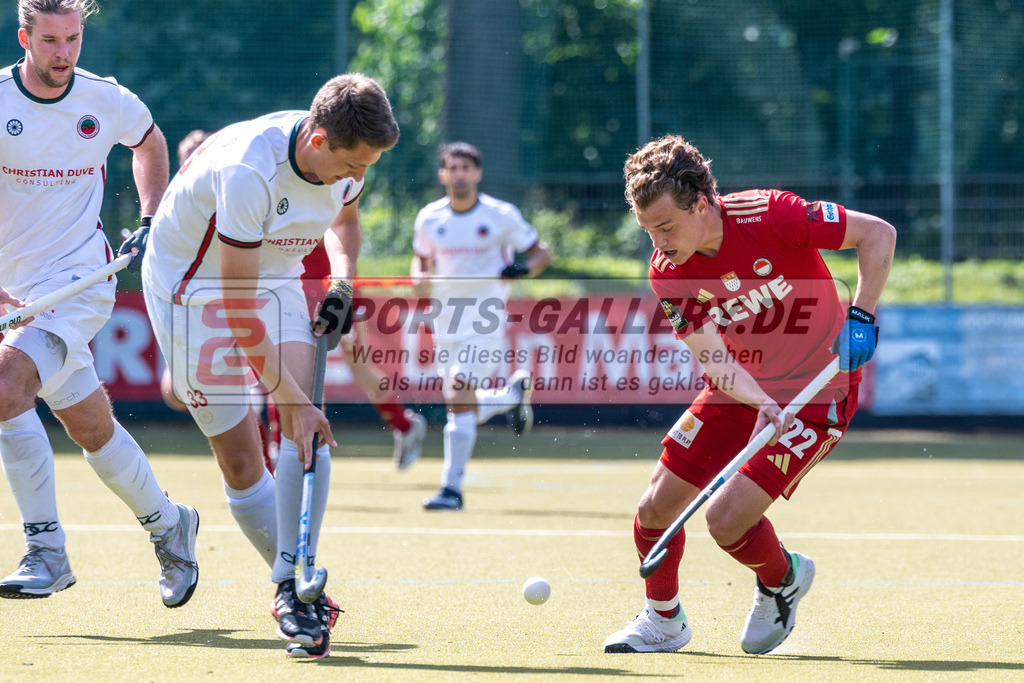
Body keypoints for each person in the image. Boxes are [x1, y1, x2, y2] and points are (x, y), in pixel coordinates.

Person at [602, 135, 895, 655]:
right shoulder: (668, 272)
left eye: (666, 226)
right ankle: (663, 621)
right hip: (740, 389)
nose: (658, 243)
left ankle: (782, 578)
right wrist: (760, 402)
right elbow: (714, 357)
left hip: (819, 391)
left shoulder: (772, 214)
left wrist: (863, 314)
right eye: (647, 229)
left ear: (701, 204)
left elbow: (877, 234)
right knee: (654, 510)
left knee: (725, 519)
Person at [141, 73, 399, 659]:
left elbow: (346, 224)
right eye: (353, 164)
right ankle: (289, 577)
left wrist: (340, 279)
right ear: (318, 137)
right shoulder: (249, 173)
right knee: (241, 460)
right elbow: (235, 308)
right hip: (193, 290)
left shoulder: (346, 163)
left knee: (307, 427)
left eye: (370, 166)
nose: (358, 179)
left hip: (275, 271)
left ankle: (290, 588)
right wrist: (290, 395)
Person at [0, 0, 198, 606]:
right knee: (91, 428)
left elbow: (149, 142)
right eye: (52, 40)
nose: (64, 54)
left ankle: (46, 551)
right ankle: (170, 523)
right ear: (24, 36)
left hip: (81, 280)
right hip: (15, 289)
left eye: (74, 39)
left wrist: (150, 215)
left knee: (6, 385)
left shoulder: (104, 97)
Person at [411, 142, 552, 511]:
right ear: (442, 175)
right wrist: (419, 278)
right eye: (452, 168)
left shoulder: (501, 215)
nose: (459, 175)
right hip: (446, 320)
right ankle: (509, 397)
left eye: (465, 168)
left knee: (458, 395)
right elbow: (421, 260)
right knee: (460, 403)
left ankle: (451, 490)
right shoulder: (429, 218)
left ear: (477, 173)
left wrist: (521, 269)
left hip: (485, 318)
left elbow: (541, 253)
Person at [267, 244, 428, 470]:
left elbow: (344, 237)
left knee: (360, 367)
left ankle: (405, 426)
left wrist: (343, 289)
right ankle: (279, 451)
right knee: (291, 371)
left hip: (336, 290)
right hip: (294, 291)